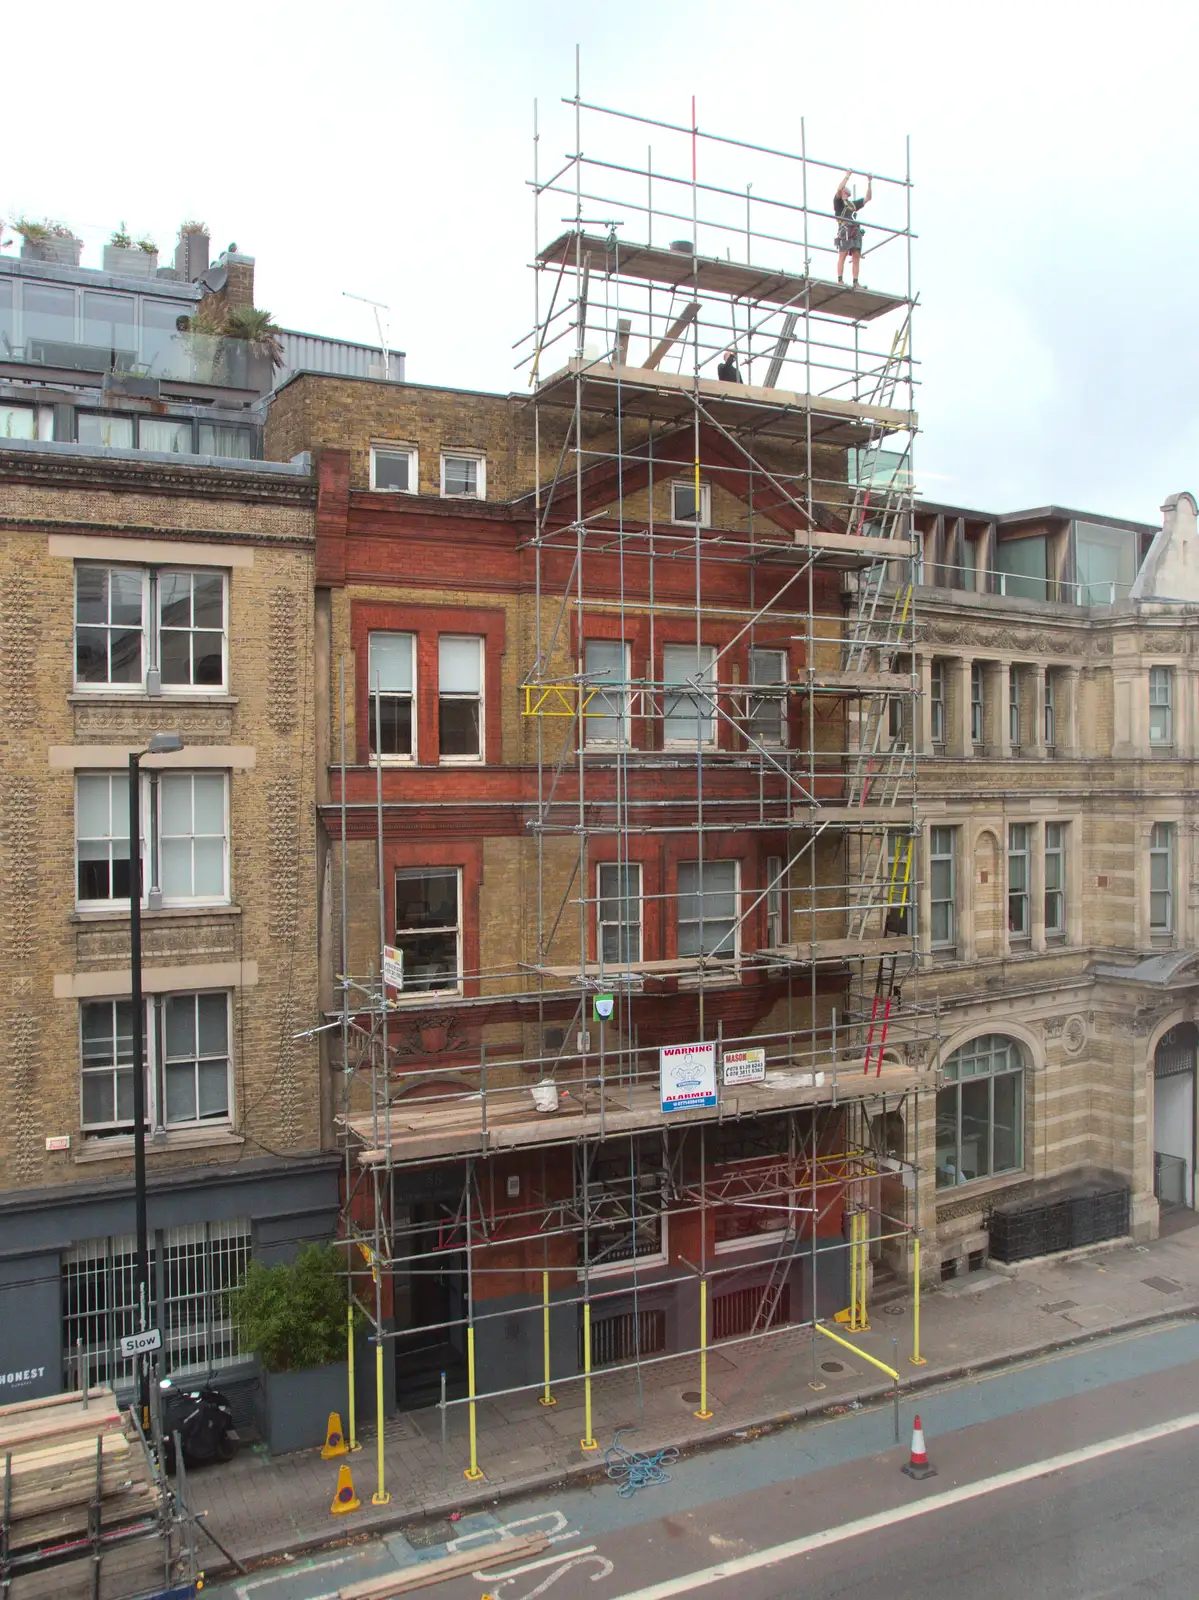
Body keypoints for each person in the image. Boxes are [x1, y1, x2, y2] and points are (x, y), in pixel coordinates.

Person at [834, 171, 872, 288]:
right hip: (844, 229)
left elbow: (868, 198)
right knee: (843, 254)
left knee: (856, 254)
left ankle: (855, 282)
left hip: (854, 229)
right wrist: (847, 175)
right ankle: (840, 280)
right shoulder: (839, 202)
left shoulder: (852, 204)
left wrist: (869, 182)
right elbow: (839, 188)